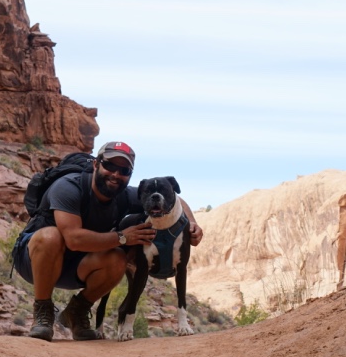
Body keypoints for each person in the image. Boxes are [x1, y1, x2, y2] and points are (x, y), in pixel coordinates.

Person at [12, 141, 203, 341]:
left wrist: (192, 223)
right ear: (96, 164)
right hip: (34, 262)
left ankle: (77, 311)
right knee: (51, 237)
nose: (115, 174)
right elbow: (73, 239)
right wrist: (123, 237)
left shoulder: (126, 196)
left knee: (118, 258)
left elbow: (174, 199)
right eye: (109, 165)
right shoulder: (68, 186)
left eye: (124, 170)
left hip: (76, 267)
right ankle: (43, 311)